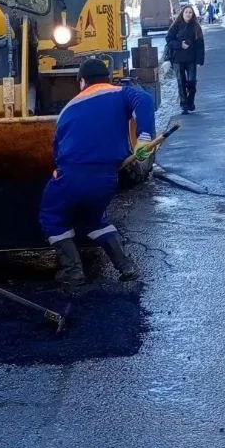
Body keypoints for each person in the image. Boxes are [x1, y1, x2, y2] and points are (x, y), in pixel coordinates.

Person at [39, 59, 157, 285]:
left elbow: (57, 148)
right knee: (94, 219)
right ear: (108, 77)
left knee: (52, 217)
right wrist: (143, 138)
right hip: (106, 178)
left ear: (82, 81)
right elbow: (145, 99)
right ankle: (126, 265)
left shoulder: (68, 110)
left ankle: (73, 271)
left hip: (71, 175)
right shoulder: (123, 94)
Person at [165, 5, 206, 114]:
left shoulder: (196, 27)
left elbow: (200, 45)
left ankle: (190, 101)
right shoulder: (176, 26)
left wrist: (199, 61)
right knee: (181, 81)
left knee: (192, 82)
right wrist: (180, 45)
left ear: (193, 15)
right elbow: (168, 40)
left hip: (191, 59)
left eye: (190, 12)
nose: (188, 14)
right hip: (178, 59)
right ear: (182, 14)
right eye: (186, 12)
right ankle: (184, 105)